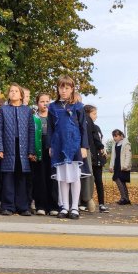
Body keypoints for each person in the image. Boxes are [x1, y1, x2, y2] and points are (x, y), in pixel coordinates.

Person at [48, 75, 90, 220]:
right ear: (58, 89)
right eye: (61, 87)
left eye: (67, 88)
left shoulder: (78, 106)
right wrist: (50, 146)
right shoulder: (53, 106)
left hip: (74, 145)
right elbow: (51, 128)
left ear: (72, 89)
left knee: (75, 177)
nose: (64, 90)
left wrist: (84, 146)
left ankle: (74, 207)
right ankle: (64, 206)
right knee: (63, 178)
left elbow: (83, 127)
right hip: (58, 145)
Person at [0, 83, 36, 216]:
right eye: (11, 91)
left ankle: (23, 207)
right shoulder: (3, 109)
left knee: (22, 177)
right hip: (8, 147)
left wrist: (31, 150)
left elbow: (31, 130)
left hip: (23, 148)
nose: (13, 93)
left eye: (16, 91)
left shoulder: (27, 110)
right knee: (8, 177)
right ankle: (7, 206)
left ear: (21, 95)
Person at [32, 93, 59, 216]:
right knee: (40, 177)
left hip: (52, 148)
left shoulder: (54, 117)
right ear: (37, 103)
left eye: (47, 101)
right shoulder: (33, 117)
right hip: (39, 148)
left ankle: (53, 205)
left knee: (52, 177)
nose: (45, 104)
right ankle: (40, 206)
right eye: (42, 101)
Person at [84, 105, 109, 213]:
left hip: (97, 157)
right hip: (89, 156)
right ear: (87, 114)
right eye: (94, 114)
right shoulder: (85, 126)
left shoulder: (96, 127)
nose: (96, 116)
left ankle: (102, 203)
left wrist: (103, 148)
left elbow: (98, 141)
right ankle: (86, 201)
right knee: (87, 180)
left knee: (99, 181)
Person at [109, 129, 132, 205]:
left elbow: (128, 156)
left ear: (121, 136)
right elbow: (113, 156)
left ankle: (124, 198)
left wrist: (126, 165)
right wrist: (111, 166)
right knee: (119, 180)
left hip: (123, 166)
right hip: (117, 165)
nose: (114, 138)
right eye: (113, 136)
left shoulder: (126, 144)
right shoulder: (114, 144)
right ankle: (126, 198)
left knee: (120, 181)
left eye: (116, 136)